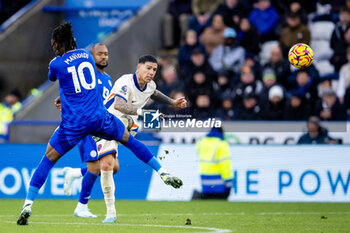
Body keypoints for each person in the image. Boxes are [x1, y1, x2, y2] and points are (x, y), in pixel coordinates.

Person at [17, 22, 184, 226]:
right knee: (128, 141)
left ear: (58, 45)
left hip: (74, 123)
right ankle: (162, 171)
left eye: (54, 45)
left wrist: (64, 89)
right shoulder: (87, 55)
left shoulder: (56, 63)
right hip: (98, 117)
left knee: (48, 159)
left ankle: (28, 205)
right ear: (74, 41)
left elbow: (55, 76)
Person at [64, 55, 188, 222]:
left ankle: (75, 173)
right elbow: (119, 105)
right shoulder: (125, 81)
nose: (151, 72)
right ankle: (111, 213)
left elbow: (154, 92)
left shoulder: (150, 85)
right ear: (138, 68)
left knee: (112, 166)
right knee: (109, 165)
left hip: (126, 123)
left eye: (154, 69)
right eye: (148, 68)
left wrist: (172, 102)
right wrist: (143, 113)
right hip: (106, 122)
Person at [194, 127, 232, 199]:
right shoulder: (222, 144)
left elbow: (197, 150)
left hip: (205, 183)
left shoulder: (201, 142)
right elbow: (225, 166)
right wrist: (228, 183)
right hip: (219, 185)